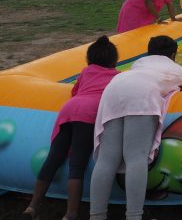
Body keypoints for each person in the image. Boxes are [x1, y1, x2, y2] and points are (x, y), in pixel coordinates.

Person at [90, 35, 182, 220]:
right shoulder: (177, 69)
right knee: (136, 158)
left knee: (106, 160)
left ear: (149, 52)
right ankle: (134, 216)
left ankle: (96, 216)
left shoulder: (138, 64)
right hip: (142, 94)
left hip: (114, 88)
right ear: (174, 54)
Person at [22, 36, 119, 220]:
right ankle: (71, 213)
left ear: (89, 59)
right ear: (114, 60)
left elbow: (74, 91)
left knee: (52, 160)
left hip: (68, 110)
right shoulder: (117, 76)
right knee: (77, 166)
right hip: (88, 114)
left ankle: (32, 206)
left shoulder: (86, 71)